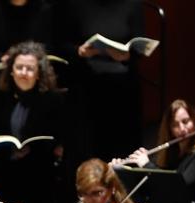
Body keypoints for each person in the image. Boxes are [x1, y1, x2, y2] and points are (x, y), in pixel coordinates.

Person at [0, 40, 68, 203]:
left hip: (37, 173)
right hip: (3, 171)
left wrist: (33, 147)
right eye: (19, 67)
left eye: (29, 69)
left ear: (38, 73)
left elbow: (58, 137)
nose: (23, 72)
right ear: (11, 71)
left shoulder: (52, 100)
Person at [55, 0, 144, 161]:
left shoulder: (132, 3)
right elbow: (60, 45)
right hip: (87, 80)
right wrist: (79, 51)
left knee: (121, 143)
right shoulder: (74, 5)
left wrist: (128, 55)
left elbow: (139, 46)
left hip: (121, 81)